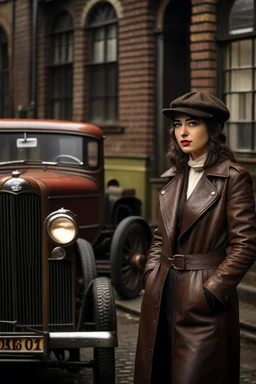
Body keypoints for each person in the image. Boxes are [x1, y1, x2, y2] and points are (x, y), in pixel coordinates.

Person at [134, 91, 256, 384]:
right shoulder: (173, 176)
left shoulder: (233, 178)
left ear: (212, 130)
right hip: (161, 292)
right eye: (177, 124)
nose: (183, 132)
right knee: (157, 371)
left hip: (202, 297)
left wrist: (211, 290)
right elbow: (160, 237)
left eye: (192, 123)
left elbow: (246, 244)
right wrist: (150, 275)